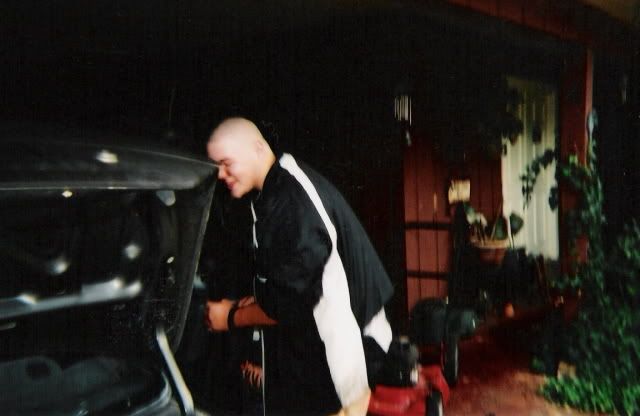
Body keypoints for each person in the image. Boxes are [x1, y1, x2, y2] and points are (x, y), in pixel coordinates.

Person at [204, 117, 394, 415]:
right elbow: (288, 282)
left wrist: (229, 317)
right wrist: (254, 300)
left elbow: (287, 304)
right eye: (216, 166)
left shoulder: (291, 203)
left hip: (346, 352)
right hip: (318, 349)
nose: (220, 174)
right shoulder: (275, 190)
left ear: (257, 148)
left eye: (227, 163)